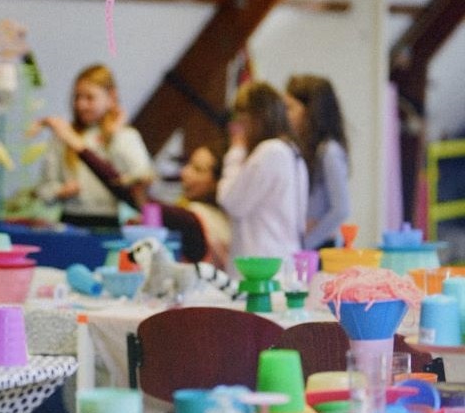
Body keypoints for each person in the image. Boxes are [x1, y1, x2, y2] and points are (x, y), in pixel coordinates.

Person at [42, 115, 231, 268]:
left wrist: (80, 147)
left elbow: (129, 194)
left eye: (198, 170)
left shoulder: (196, 219)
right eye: (189, 164)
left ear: (217, 183)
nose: (185, 172)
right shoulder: (217, 218)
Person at [36, 64, 155, 230]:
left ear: (111, 97)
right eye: (77, 97)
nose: (81, 105)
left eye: (90, 98)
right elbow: (44, 190)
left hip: (108, 224)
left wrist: (115, 135)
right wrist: (61, 191)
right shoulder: (63, 136)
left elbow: (141, 178)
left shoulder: (125, 136)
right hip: (69, 222)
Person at [217, 81, 309, 277]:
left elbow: (231, 201)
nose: (237, 128)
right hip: (280, 261)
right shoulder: (291, 151)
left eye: (242, 120)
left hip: (261, 266)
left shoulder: (269, 152)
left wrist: (236, 150)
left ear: (256, 118)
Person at [284, 74, 351, 250]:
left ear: (309, 111)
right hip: (311, 243)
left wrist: (305, 244)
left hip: (321, 246)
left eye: (290, 108)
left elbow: (341, 209)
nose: (285, 115)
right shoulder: (302, 149)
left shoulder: (329, 151)